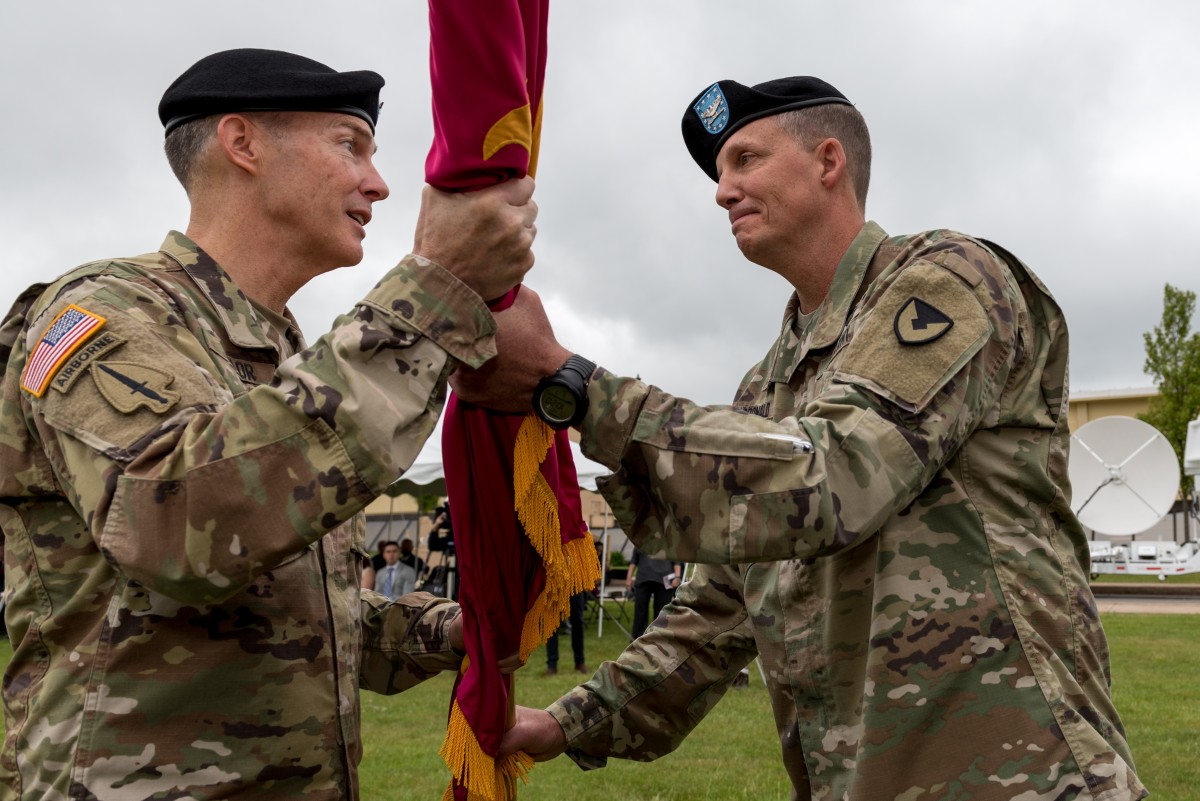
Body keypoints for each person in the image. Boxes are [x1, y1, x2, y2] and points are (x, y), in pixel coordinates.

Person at [453, 76, 1146, 800]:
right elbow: (720, 606)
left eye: (746, 159)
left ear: (827, 161)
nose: (723, 191)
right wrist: (567, 722)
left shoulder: (948, 278)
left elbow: (836, 475)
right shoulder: (768, 385)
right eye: (719, 173)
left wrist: (573, 386)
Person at [0, 48, 536, 801]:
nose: (377, 183)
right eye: (349, 144)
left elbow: (296, 612)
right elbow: (179, 520)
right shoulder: (101, 314)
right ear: (242, 143)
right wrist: (434, 296)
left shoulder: (282, 355)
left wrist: (453, 628)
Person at [624, 548, 682, 639]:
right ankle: (638, 637)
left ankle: (660, 636)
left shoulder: (669, 540)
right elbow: (633, 560)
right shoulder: (641, 541)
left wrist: (677, 577)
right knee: (640, 610)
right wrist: (628, 577)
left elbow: (676, 562)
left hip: (664, 580)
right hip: (643, 579)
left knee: (662, 611)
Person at [543, 590, 589, 676]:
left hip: (575, 581)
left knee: (578, 621)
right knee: (551, 622)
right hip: (553, 581)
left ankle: (580, 662)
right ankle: (552, 664)